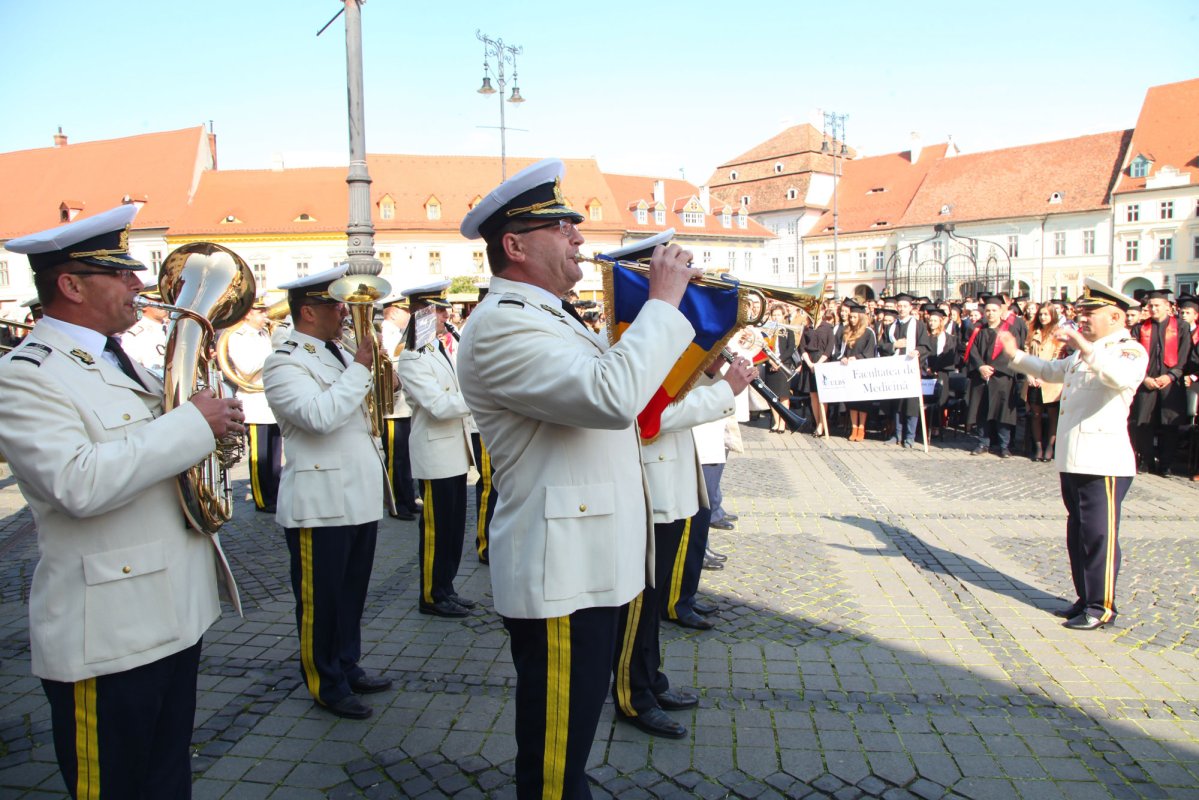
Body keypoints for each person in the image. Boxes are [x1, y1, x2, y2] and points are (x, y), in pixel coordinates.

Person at [457, 158, 700, 800]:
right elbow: (610, 395)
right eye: (561, 227)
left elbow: (628, 399)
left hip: (589, 559)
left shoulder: (553, 315)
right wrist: (664, 303)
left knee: (568, 743)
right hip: (561, 571)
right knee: (555, 759)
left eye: (574, 225)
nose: (579, 239)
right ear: (514, 245)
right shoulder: (504, 323)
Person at [0, 204, 242, 799]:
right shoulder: (26, 373)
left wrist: (213, 431)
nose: (139, 284)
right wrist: (191, 424)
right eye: (120, 273)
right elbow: (78, 483)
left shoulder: (118, 357)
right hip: (107, 630)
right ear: (71, 284)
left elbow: (155, 457)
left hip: (171, 610)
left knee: (166, 779)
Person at [263, 264, 393, 721]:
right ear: (307, 312)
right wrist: (361, 369)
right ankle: (325, 682)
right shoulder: (285, 361)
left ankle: (348, 663)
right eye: (334, 304)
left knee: (351, 593)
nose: (343, 312)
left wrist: (381, 375)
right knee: (321, 601)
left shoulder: (336, 353)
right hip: (319, 503)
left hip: (357, 492)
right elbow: (319, 416)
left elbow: (367, 408)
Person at [1000, 278, 1148, 630]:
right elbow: (1052, 371)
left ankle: (1102, 607)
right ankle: (1085, 599)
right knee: (1078, 534)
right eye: (1081, 314)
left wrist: (1084, 345)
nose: (1082, 320)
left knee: (1099, 536)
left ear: (1115, 317)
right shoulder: (1085, 352)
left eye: (1090, 314)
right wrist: (1016, 355)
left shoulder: (1128, 351)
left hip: (1105, 462)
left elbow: (1118, 378)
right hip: (1075, 458)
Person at [394, 280, 476, 618]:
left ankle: (447, 586)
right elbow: (439, 407)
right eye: (440, 310)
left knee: (454, 528)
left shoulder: (438, 349)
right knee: (436, 529)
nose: (446, 315)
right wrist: (479, 396)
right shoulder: (412, 358)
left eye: (445, 310)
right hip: (435, 452)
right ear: (422, 313)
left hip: (453, 451)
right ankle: (431, 594)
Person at [224, 296, 283, 512]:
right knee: (261, 456)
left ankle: (274, 494)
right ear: (248, 313)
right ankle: (262, 498)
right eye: (261, 312)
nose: (265, 315)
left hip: (271, 399)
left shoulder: (263, 334)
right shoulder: (237, 336)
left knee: (275, 454)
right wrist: (275, 352)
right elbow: (247, 369)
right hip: (255, 402)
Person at [1130, 289, 1192, 475]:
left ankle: (1165, 465)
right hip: (1146, 382)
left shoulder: (1180, 327)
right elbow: (1133, 358)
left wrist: (1171, 375)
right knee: (1143, 423)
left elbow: (1184, 355)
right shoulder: (1140, 328)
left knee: (1169, 425)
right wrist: (1144, 378)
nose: (1153, 309)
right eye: (1151, 306)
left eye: (1157, 305)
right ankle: (1148, 461)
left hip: (1171, 383)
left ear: (1167, 306)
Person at [965, 295, 1024, 457]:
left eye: (994, 310)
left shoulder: (1009, 330)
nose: (990, 313)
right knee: (982, 410)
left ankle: (1004, 446)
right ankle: (983, 443)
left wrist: (993, 368)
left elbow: (1011, 351)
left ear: (1000, 312)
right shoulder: (978, 329)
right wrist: (980, 366)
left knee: (1002, 412)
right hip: (981, 377)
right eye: (988, 310)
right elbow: (972, 351)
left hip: (1002, 378)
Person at [379, 298, 419, 521]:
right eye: (405, 311)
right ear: (393, 312)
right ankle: (396, 503)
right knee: (396, 458)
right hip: (394, 407)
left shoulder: (399, 332)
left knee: (404, 456)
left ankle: (408, 499)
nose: (408, 315)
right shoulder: (387, 333)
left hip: (403, 405)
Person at [878, 293, 929, 448]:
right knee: (897, 403)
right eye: (899, 306)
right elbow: (882, 346)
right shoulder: (891, 327)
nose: (901, 309)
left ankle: (910, 437)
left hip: (911, 371)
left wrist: (917, 352)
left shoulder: (918, 325)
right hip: (895, 371)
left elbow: (926, 346)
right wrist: (894, 346)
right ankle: (896, 435)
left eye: (904, 306)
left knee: (911, 404)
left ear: (910, 308)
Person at [1025, 304, 1066, 462]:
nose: (1043, 317)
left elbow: (1058, 356)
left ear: (1052, 316)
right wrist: (1029, 374)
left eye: (1046, 314)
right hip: (1033, 378)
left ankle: (1050, 447)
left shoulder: (1058, 334)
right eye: (1041, 314)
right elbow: (1026, 353)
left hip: (1051, 380)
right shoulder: (1032, 331)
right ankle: (1038, 447)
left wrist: (1045, 376)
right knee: (1035, 414)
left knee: (1052, 414)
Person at [840, 300, 877, 441]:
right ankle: (853, 427)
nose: (852, 319)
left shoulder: (869, 333)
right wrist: (843, 358)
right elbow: (842, 350)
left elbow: (871, 352)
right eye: (851, 317)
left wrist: (858, 358)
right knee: (852, 401)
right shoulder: (847, 331)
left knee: (862, 403)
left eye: (854, 317)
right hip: (850, 371)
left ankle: (861, 428)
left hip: (863, 371)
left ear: (861, 318)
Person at [922, 304, 959, 440]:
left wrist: (935, 369)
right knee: (925, 401)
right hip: (925, 374)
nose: (932, 323)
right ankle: (925, 427)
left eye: (935, 320)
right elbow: (922, 355)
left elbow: (948, 356)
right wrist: (926, 369)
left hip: (942, 374)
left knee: (940, 401)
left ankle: (937, 427)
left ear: (941, 322)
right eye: (930, 320)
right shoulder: (924, 337)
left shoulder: (949, 338)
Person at [800, 309, 836, 436]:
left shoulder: (827, 327)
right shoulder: (807, 328)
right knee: (813, 395)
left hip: (822, 362)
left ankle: (822, 424)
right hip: (809, 363)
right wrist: (809, 363)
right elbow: (802, 347)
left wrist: (819, 363)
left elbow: (829, 348)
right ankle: (817, 422)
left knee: (822, 396)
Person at [121, 281, 169, 376]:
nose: (163, 304)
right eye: (158, 300)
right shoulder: (134, 336)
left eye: (165, 299)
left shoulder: (172, 328)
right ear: (143, 304)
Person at [762, 304, 796, 433]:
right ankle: (776, 422)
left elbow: (790, 348)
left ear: (783, 316)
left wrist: (778, 361)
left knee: (784, 396)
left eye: (778, 315)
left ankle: (783, 423)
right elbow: (763, 348)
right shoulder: (767, 331)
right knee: (772, 397)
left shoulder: (788, 330)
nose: (776, 317)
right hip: (770, 365)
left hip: (783, 366)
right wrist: (771, 361)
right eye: (774, 315)